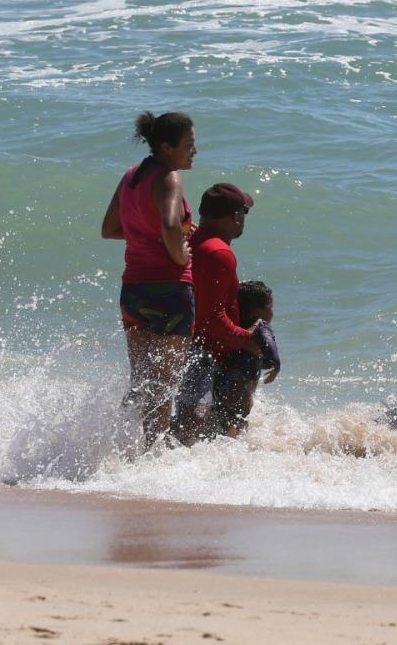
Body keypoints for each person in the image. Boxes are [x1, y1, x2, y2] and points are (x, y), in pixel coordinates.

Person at [101, 111, 197, 449]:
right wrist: (181, 255)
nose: (194, 150)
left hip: (133, 292)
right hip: (169, 290)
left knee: (141, 380)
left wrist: (148, 238)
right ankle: (152, 461)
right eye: (189, 144)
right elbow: (171, 225)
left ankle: (120, 448)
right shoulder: (170, 178)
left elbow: (110, 230)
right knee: (164, 385)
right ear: (166, 147)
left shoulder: (130, 176)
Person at [173, 182, 258, 444]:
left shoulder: (193, 240)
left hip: (187, 343)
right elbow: (212, 318)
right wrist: (249, 340)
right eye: (244, 211)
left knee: (189, 421)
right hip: (208, 352)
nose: (244, 219)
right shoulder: (220, 252)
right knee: (204, 422)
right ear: (235, 216)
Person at [213, 280, 280, 439]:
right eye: (270, 308)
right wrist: (275, 364)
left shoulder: (234, 325)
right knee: (239, 417)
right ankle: (234, 451)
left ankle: (223, 447)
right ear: (257, 311)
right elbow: (269, 343)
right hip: (242, 381)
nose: (273, 312)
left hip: (225, 376)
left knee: (225, 415)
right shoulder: (259, 325)